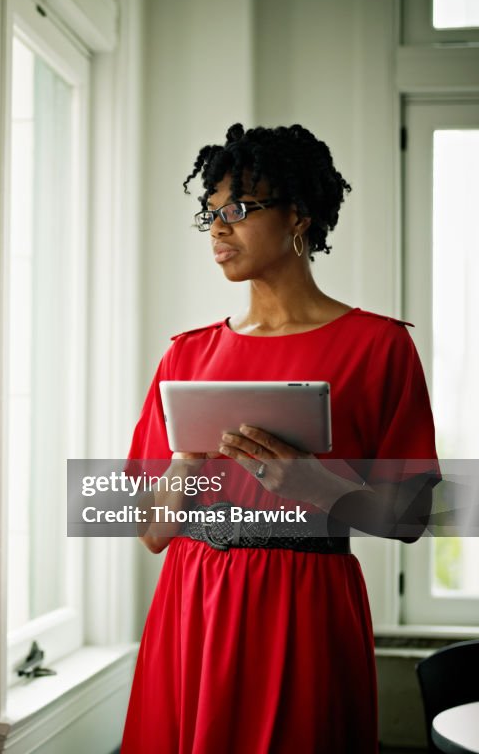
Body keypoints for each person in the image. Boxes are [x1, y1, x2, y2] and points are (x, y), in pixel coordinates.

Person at [119, 123, 439, 753]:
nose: (217, 229)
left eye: (237, 209)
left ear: (298, 215)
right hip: (193, 603)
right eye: (209, 214)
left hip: (307, 603)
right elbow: (153, 534)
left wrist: (318, 486)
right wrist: (186, 462)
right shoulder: (186, 356)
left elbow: (413, 516)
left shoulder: (379, 348)